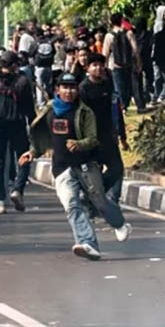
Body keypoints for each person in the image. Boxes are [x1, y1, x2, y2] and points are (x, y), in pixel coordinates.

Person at [20, 73, 131, 260]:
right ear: (58, 90)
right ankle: (88, 243)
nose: (69, 92)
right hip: (61, 168)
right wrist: (32, 152)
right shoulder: (49, 111)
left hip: (85, 164)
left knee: (99, 201)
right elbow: (43, 138)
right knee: (71, 205)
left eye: (72, 88)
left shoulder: (85, 112)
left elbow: (93, 139)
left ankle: (119, 223)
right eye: (65, 87)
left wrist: (79, 144)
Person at [0, 51, 36, 214]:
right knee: (24, 158)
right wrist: (33, 126)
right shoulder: (23, 81)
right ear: (15, 65)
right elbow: (29, 107)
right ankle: (18, 189)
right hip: (18, 125)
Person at [79, 53, 128, 203]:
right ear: (87, 68)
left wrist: (122, 135)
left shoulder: (109, 86)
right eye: (94, 65)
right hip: (91, 138)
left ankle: (111, 199)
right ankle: (93, 198)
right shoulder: (83, 89)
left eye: (101, 65)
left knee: (117, 169)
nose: (98, 68)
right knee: (94, 171)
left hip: (108, 136)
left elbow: (116, 110)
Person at [102, 13, 141, 113]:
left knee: (118, 87)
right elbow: (135, 49)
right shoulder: (129, 33)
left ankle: (122, 107)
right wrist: (138, 63)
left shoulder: (109, 36)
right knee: (128, 86)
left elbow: (105, 53)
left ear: (111, 22)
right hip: (128, 64)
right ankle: (126, 103)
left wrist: (104, 66)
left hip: (115, 65)